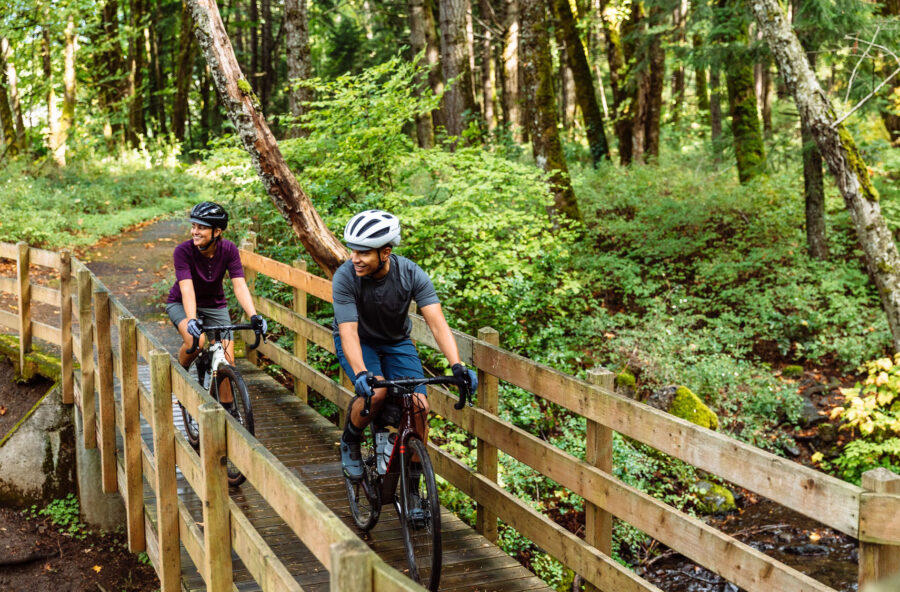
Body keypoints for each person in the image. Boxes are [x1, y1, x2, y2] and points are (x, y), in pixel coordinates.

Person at [333, 209, 477, 482]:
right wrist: (362, 373)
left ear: (385, 253)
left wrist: (457, 365)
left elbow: (436, 323)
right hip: (359, 340)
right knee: (375, 393)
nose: (355, 258)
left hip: (397, 341)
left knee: (419, 405)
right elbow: (348, 331)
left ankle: (412, 485)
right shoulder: (345, 277)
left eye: (363, 253)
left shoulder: (411, 273)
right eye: (352, 250)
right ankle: (351, 439)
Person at [165, 201, 267, 413]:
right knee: (197, 340)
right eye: (193, 226)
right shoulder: (183, 251)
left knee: (228, 362)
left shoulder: (229, 249)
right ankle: (180, 376)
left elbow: (239, 285)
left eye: (201, 227)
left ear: (217, 231)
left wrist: (254, 315)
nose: (194, 231)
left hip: (215, 305)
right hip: (181, 303)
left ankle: (227, 412)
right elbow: (187, 290)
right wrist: (192, 319)